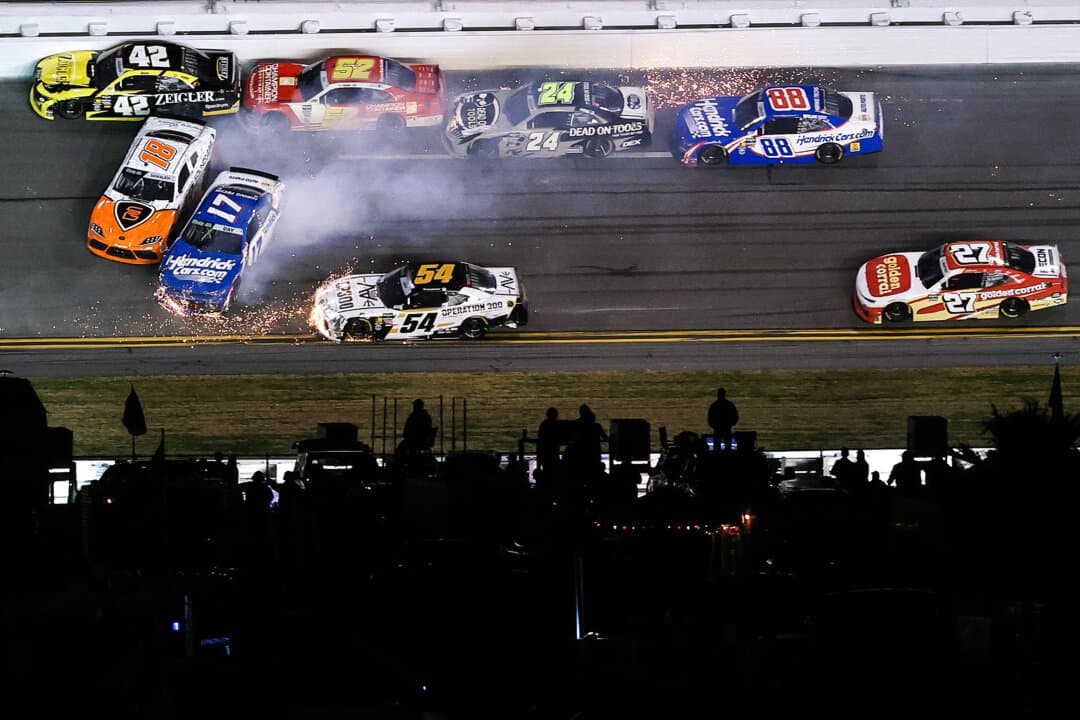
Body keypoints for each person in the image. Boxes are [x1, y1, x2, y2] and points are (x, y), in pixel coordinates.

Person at [536, 407, 562, 479]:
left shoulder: (544, 424)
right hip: (554, 453)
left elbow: (540, 439)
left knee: (547, 472)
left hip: (545, 453)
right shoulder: (558, 425)